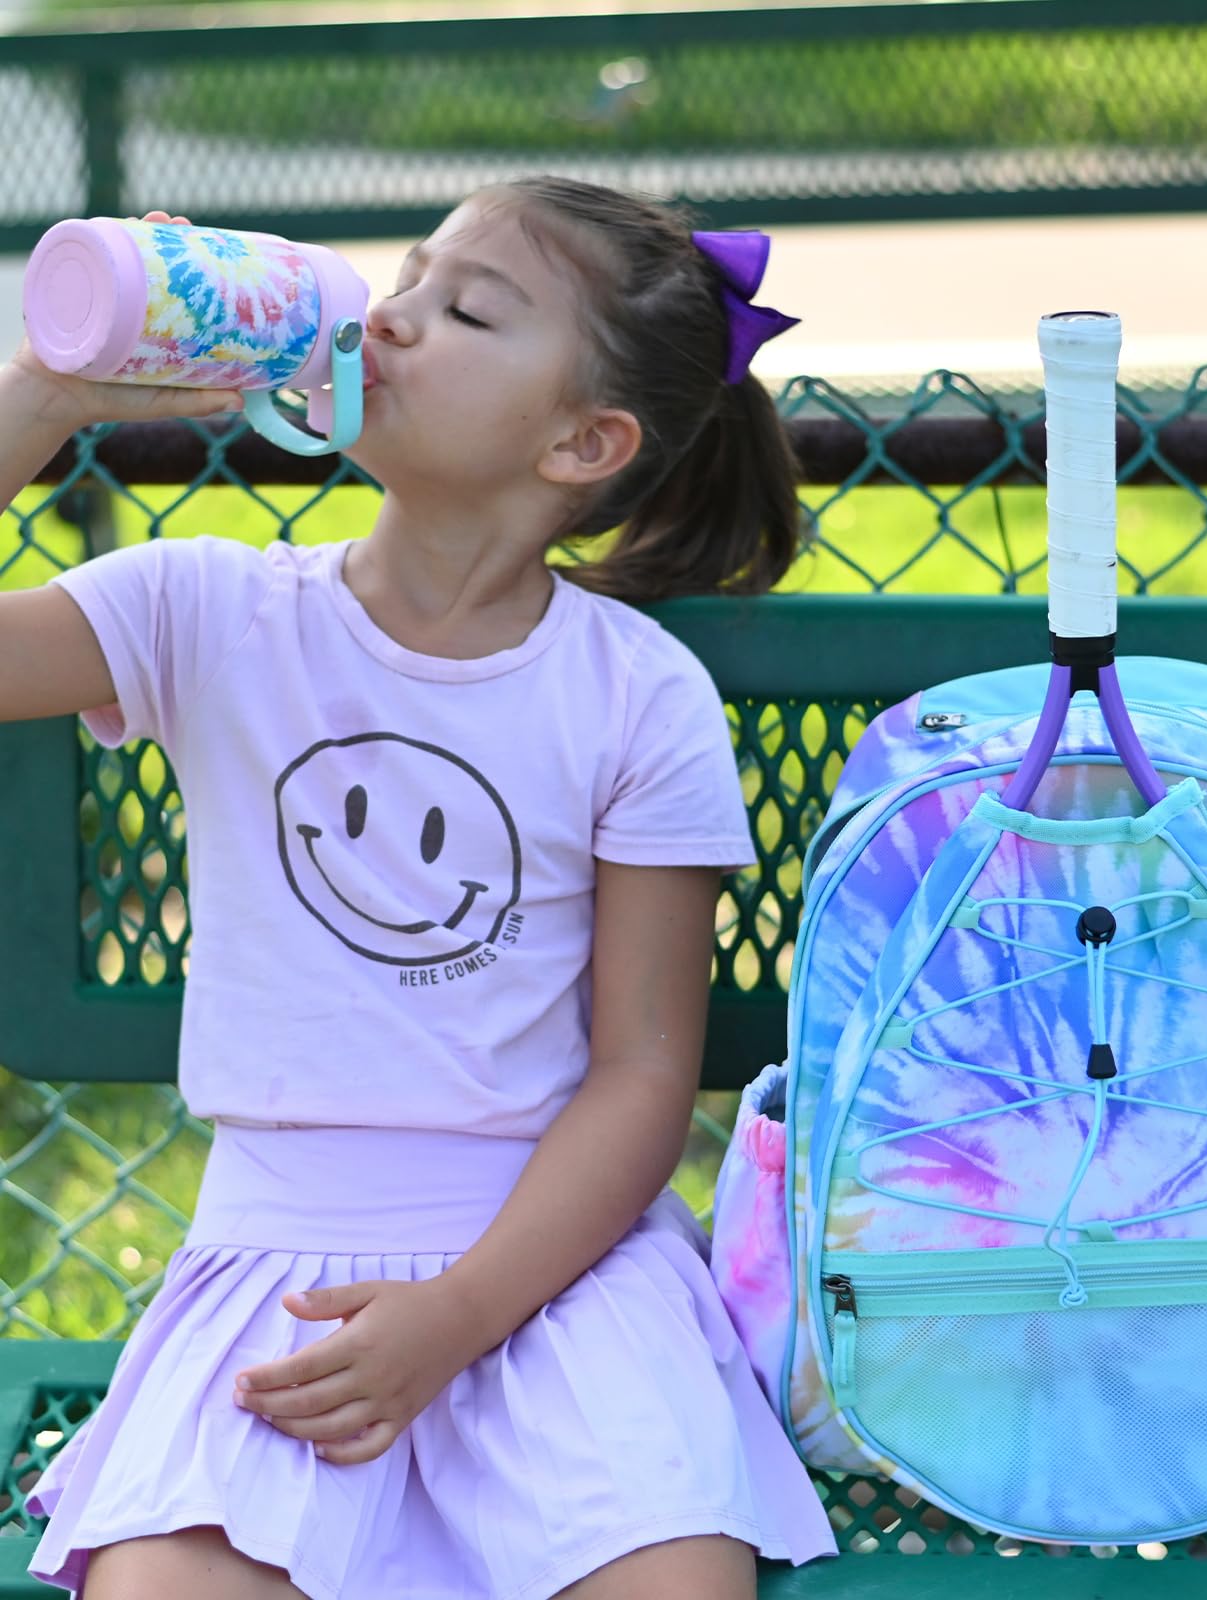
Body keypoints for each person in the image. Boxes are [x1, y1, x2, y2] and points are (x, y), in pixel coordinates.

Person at [1, 178, 836, 1600]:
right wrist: (48, 393)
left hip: (559, 1274)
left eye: (466, 310)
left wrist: (455, 1318)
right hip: (278, 1263)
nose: (387, 319)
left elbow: (641, 1076)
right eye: (408, 276)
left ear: (585, 440)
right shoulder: (206, 610)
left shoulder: (636, 696)